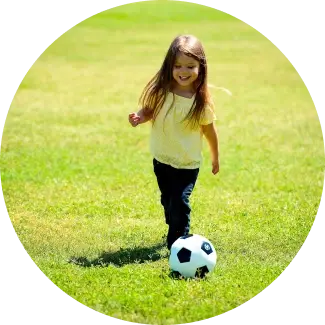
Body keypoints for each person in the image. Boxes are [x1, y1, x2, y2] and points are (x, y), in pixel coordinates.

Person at [128, 34, 220, 250]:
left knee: (180, 202)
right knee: (168, 201)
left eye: (190, 66)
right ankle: (174, 223)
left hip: (187, 164)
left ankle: (178, 245)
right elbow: (150, 109)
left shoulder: (201, 103)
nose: (183, 71)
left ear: (201, 67)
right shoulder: (162, 92)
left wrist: (215, 157)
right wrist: (140, 117)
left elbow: (209, 131)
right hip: (162, 159)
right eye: (178, 65)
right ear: (169, 66)